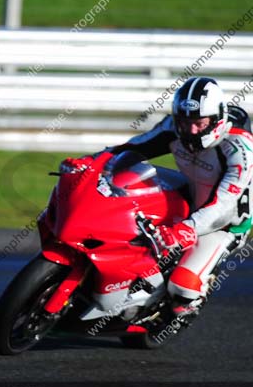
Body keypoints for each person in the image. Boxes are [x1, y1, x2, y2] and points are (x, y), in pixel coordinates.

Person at [66, 77, 253, 317]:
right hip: (190, 191)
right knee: (126, 188)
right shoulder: (173, 128)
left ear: (216, 118)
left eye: (199, 123)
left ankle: (187, 305)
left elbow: (225, 201)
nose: (191, 130)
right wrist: (90, 162)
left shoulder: (240, 148)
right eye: (185, 122)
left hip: (226, 222)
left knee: (183, 286)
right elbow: (133, 148)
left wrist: (189, 228)